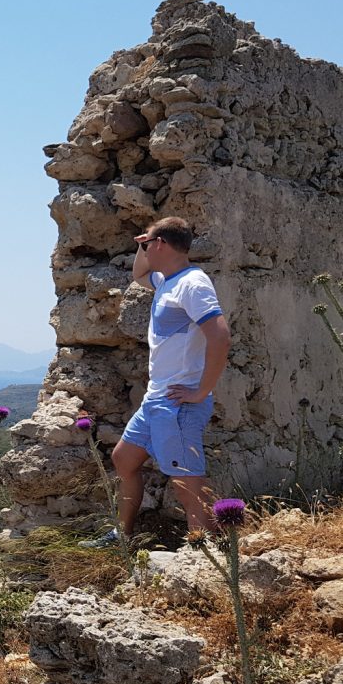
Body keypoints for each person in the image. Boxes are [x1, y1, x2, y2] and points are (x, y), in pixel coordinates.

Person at [82, 216, 231, 547]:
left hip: (177, 404)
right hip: (156, 400)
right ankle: (122, 536)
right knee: (124, 459)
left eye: (148, 243)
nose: (145, 248)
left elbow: (220, 336)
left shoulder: (192, 283)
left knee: (187, 483)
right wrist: (142, 244)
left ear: (161, 244)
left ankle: (206, 556)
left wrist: (202, 391)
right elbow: (138, 275)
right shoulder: (165, 280)